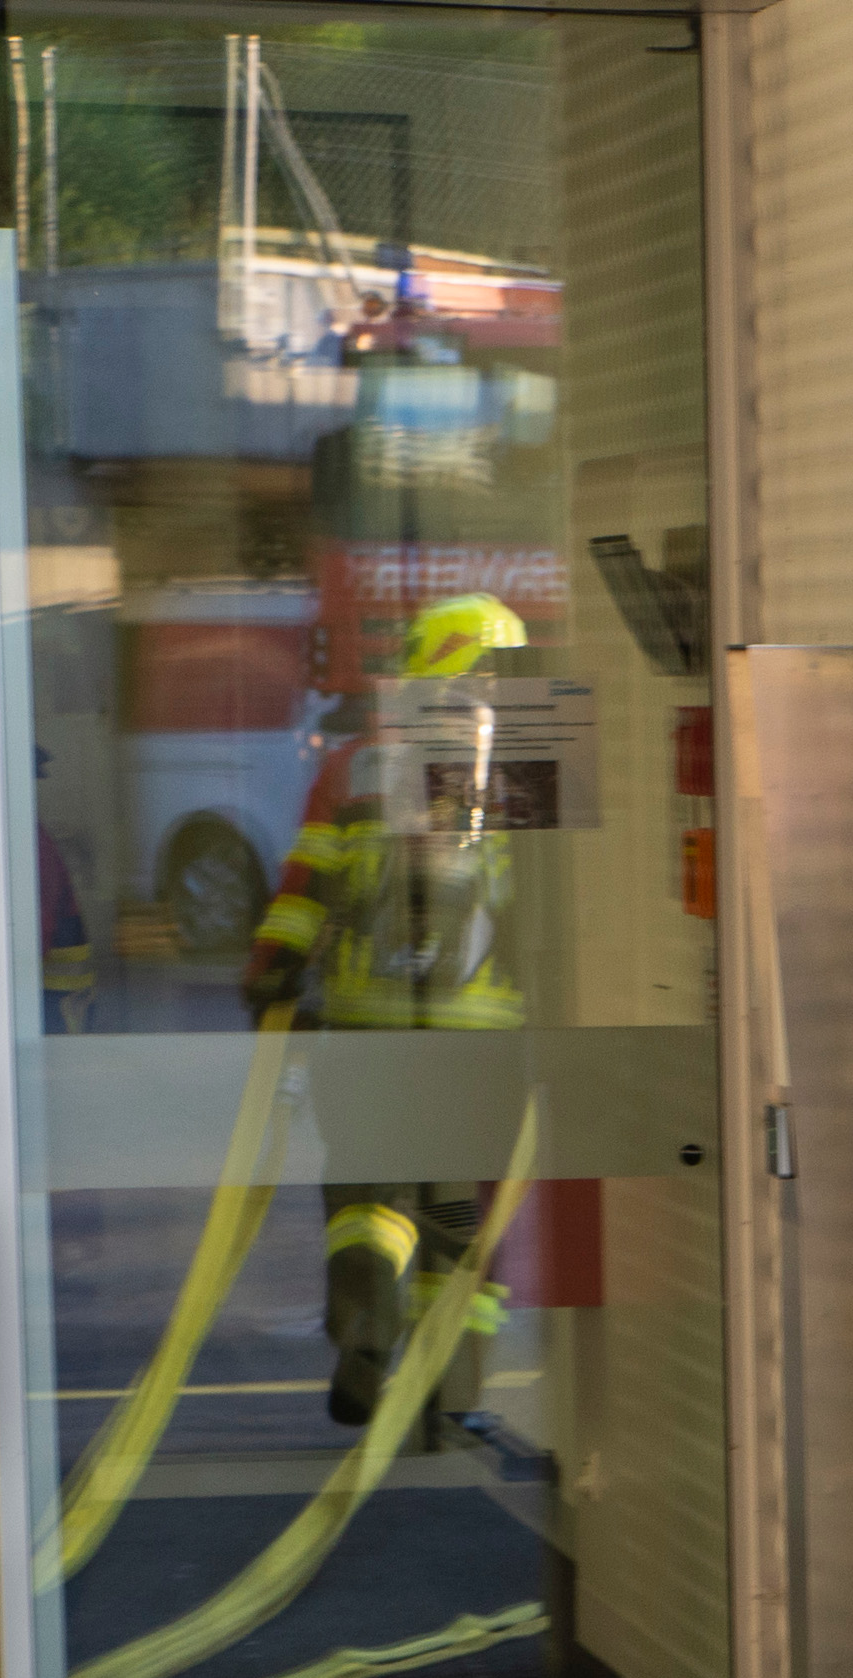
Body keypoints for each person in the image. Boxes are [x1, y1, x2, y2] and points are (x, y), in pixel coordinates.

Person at [240, 588, 528, 1440]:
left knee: (368, 1187)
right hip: (484, 1037)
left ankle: (368, 1326)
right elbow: (556, 912)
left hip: (366, 1027)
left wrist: (273, 970)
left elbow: (306, 883)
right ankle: (458, 1383)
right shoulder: (532, 768)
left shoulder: (359, 765)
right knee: (460, 1203)